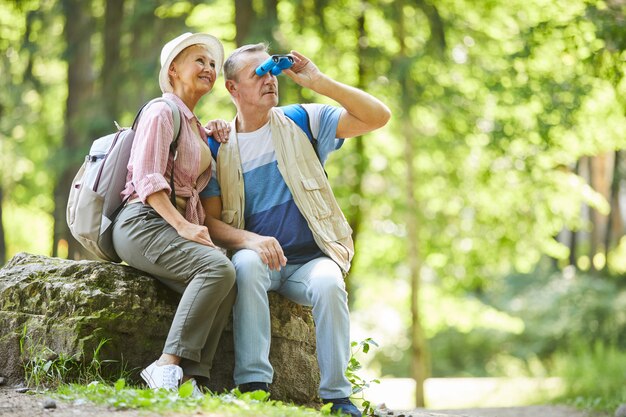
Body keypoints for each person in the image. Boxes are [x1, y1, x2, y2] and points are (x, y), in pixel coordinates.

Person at [200, 43, 391, 416]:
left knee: (329, 283)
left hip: (311, 261)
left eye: (271, 71)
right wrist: (251, 241)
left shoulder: (304, 120)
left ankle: (337, 397)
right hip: (260, 262)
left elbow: (378, 116)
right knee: (247, 264)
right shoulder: (216, 144)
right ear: (232, 89)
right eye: (258, 74)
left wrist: (319, 82)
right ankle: (253, 387)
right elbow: (210, 222)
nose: (270, 79)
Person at [111, 32, 235, 396]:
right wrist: (184, 226)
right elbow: (148, 178)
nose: (209, 68)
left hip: (164, 226)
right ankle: (165, 366)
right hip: (141, 224)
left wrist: (213, 133)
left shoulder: (193, 123)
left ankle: (192, 379)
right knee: (216, 267)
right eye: (199, 60)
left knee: (227, 282)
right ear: (174, 69)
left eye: (212, 64)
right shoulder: (160, 111)